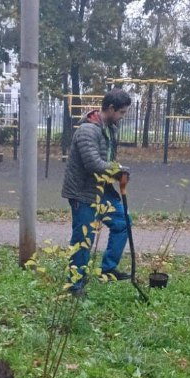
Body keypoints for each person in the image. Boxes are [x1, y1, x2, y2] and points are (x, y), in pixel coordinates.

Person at [61, 88, 132, 292]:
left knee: (123, 222)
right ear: (110, 108)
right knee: (84, 238)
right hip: (83, 193)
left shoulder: (112, 129)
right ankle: (75, 285)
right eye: (121, 112)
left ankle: (108, 269)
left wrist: (117, 171)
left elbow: (107, 159)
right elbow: (92, 163)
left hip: (104, 190)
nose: (122, 116)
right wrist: (118, 171)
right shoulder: (87, 131)